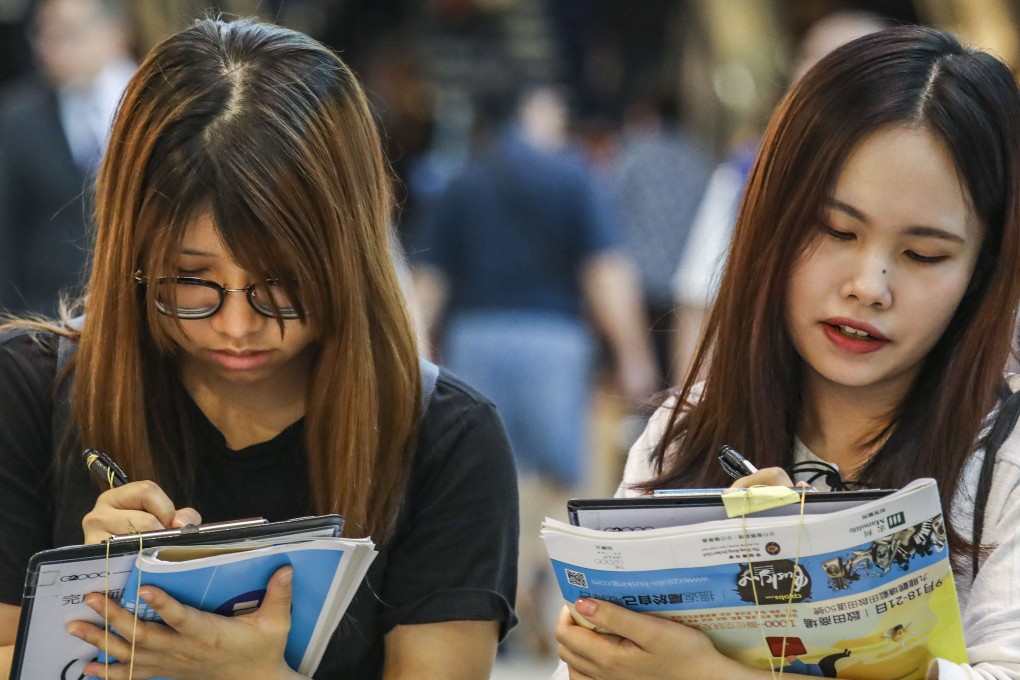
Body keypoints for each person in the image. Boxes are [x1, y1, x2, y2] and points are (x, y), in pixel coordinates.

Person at [0, 17, 518, 680]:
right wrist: (79, 610)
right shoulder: (28, 393)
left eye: (285, 284)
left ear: (350, 258)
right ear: (131, 254)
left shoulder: (445, 439)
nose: (238, 326)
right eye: (191, 282)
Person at [554, 25, 1020, 679]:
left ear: (985, 269)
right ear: (769, 220)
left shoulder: (1004, 462)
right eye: (836, 230)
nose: (869, 286)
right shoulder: (682, 435)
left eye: (924, 254)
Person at [411, 85, 656, 657]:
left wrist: (414, 358)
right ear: (532, 110)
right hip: (552, 343)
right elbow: (605, 271)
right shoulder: (572, 177)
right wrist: (634, 355)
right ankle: (555, 612)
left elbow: (430, 283)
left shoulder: (462, 179)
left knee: (486, 475)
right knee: (562, 485)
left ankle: (501, 604)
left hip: (475, 342)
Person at [0, 0, 136, 316]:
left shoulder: (155, 102)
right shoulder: (18, 117)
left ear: (114, 33)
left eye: (68, 33)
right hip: (45, 313)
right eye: (44, 33)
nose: (50, 47)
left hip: (134, 303)